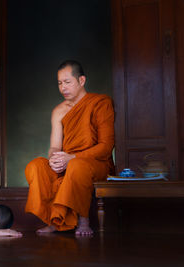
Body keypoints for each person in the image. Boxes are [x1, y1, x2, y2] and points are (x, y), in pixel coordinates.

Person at [25, 60, 115, 236]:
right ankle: (53, 220)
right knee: (36, 165)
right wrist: (55, 159)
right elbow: (54, 146)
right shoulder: (58, 111)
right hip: (67, 161)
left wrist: (72, 158)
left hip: (95, 163)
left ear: (81, 81)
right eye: (59, 83)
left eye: (67, 82)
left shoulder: (100, 103)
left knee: (76, 166)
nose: (62, 88)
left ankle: (83, 220)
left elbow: (106, 147)